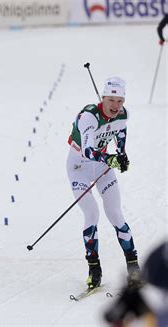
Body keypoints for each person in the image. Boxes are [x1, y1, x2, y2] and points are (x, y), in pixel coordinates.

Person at [66, 77, 141, 290]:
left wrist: (121, 154)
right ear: (103, 97)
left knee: (116, 214)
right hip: (79, 168)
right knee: (91, 214)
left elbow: (121, 131)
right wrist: (110, 159)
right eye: (111, 100)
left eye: (120, 100)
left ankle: (134, 269)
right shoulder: (89, 116)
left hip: (101, 168)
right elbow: (89, 151)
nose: (116, 106)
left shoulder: (123, 114)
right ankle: (94, 269)